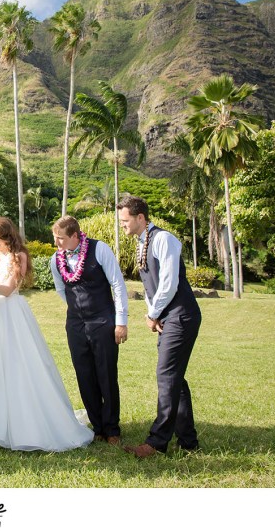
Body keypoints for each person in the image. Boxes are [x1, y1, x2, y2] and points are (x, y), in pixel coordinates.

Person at [0, 217, 94, 451]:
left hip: (11, 313)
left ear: (7, 236)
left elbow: (8, 290)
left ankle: (23, 424)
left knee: (16, 364)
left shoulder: (19, 256)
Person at [117, 195, 202, 458]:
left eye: (125, 220)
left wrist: (152, 314)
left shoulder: (164, 239)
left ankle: (157, 442)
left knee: (167, 376)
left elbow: (168, 283)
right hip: (167, 317)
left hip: (181, 315)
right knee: (174, 378)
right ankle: (188, 441)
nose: (122, 225)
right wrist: (154, 315)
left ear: (140, 217)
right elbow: (150, 285)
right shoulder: (143, 242)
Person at [50, 215, 129, 446]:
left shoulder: (99, 249)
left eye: (60, 238)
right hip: (75, 323)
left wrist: (120, 321)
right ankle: (97, 426)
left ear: (75, 235)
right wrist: (77, 309)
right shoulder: (56, 259)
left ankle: (112, 428)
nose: (57, 243)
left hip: (103, 320)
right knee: (84, 374)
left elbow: (117, 284)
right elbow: (60, 289)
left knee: (106, 373)